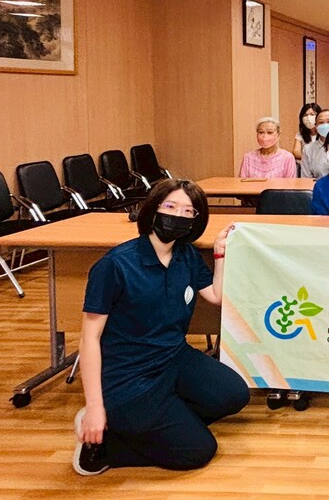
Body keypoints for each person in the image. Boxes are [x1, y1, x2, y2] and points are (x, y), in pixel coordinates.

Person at [75, 179, 250, 475]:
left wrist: (220, 254)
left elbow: (216, 296)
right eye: (170, 206)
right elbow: (89, 339)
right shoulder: (116, 264)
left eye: (188, 211)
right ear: (153, 209)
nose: (178, 215)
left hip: (173, 357)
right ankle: (105, 446)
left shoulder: (186, 255)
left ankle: (159, 424)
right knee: (199, 451)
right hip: (130, 376)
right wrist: (94, 407)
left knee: (234, 394)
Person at [300, 109, 329, 180]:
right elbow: (305, 178)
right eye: (321, 122)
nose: (325, 125)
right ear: (316, 126)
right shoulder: (308, 149)